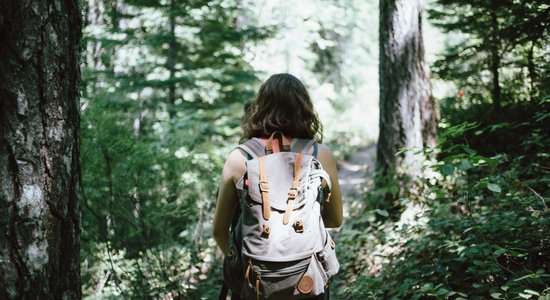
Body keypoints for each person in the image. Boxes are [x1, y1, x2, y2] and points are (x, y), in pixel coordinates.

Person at [213, 73, 343, 299]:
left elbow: (219, 230)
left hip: (253, 282)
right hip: (306, 281)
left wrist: (246, 264)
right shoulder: (319, 154)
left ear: (259, 108)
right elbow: (334, 220)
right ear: (304, 108)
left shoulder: (239, 158)